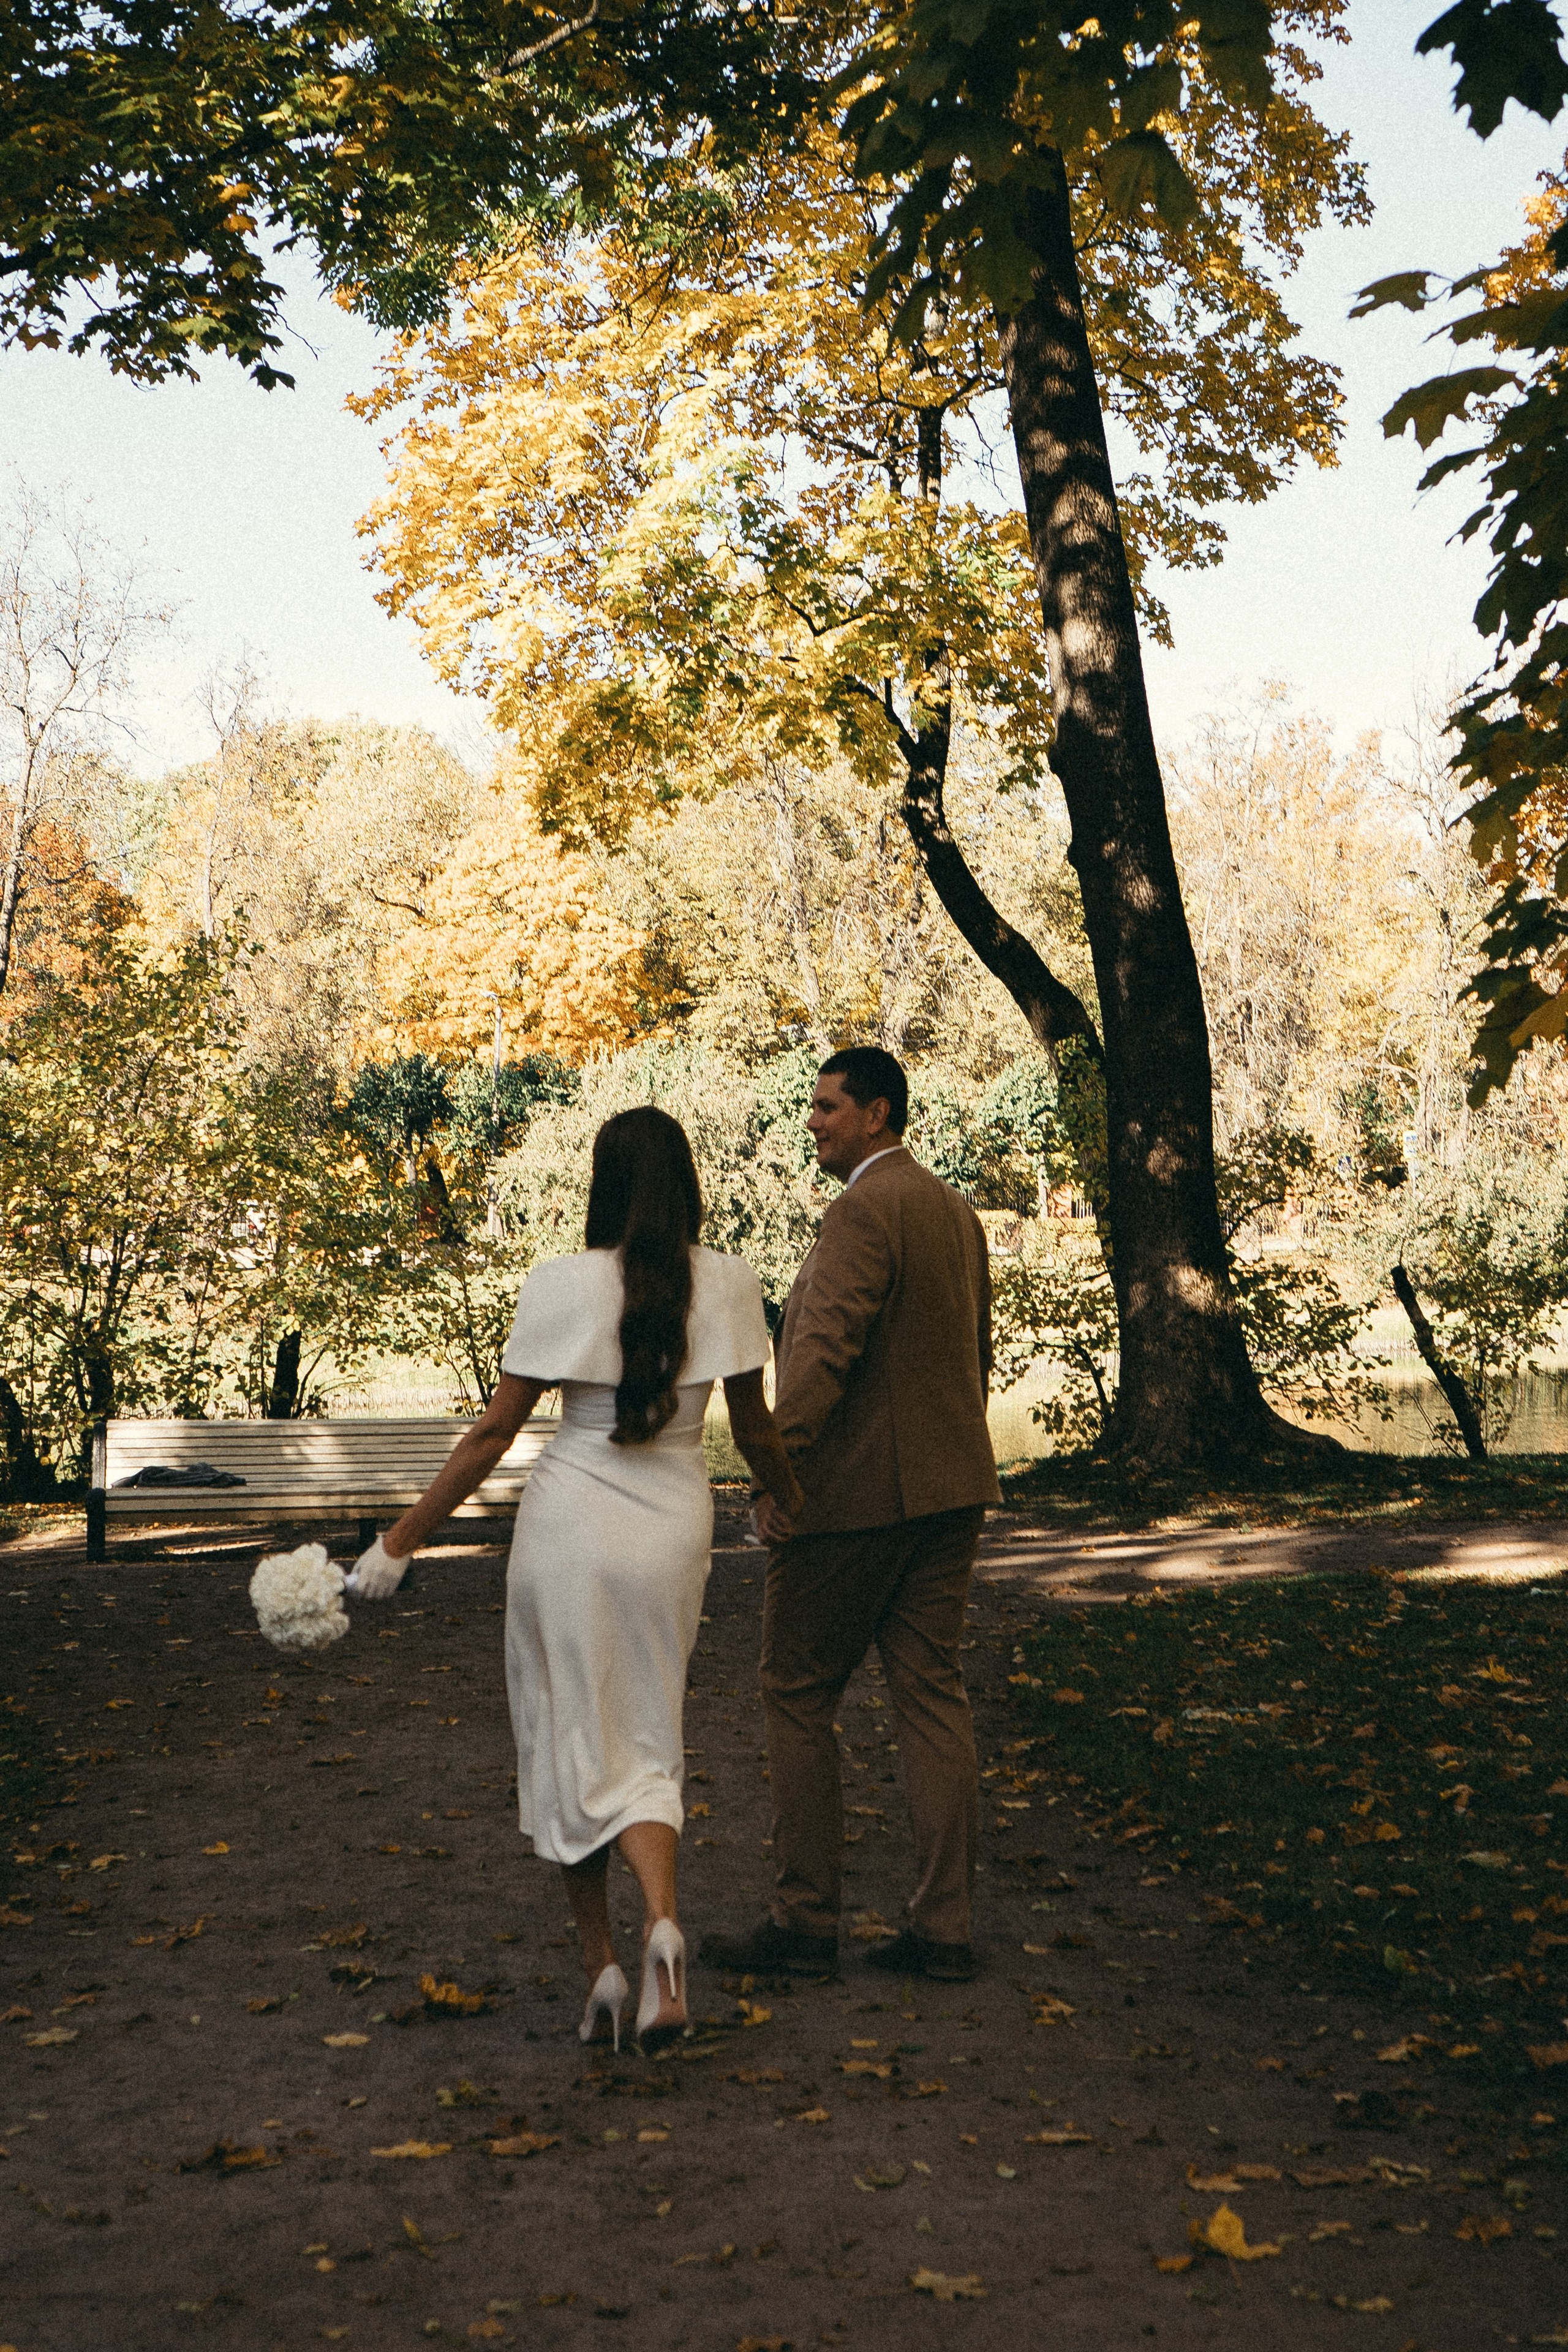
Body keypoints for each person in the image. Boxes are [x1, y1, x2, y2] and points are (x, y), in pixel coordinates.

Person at [350, 1106, 803, 2052]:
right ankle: (664, 1936)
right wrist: (788, 1501)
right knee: (646, 1731)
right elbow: (758, 1431)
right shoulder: (730, 1281)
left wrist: (400, 1541)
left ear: (602, 1183)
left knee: (567, 1735)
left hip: (567, 1531)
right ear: (687, 1183)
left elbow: (491, 1436)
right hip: (671, 1533)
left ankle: (601, 1966)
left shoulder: (559, 1284)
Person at [703, 1047, 1000, 1984]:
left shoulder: (862, 1211)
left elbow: (818, 1360)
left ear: (877, 1114)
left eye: (829, 1108)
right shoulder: (953, 1209)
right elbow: (972, 1352)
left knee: (795, 1692)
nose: (815, 1122)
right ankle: (943, 1928)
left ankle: (803, 1921)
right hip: (951, 1493)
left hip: (856, 1504)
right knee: (932, 1698)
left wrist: (774, 1481)